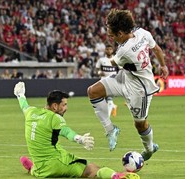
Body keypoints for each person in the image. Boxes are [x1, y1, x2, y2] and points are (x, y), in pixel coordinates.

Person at [87, 9, 169, 161]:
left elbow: (113, 62)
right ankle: (111, 130)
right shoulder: (143, 33)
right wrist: (163, 66)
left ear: (120, 34)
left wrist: (106, 58)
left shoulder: (124, 51)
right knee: (93, 91)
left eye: (111, 34)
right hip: (124, 78)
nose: (109, 36)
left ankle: (149, 149)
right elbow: (156, 49)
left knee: (140, 125)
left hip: (139, 89)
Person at [13, 82, 140, 179]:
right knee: (92, 168)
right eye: (64, 105)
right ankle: (117, 176)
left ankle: (32, 169)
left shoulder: (31, 112)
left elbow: (24, 105)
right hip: (56, 163)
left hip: (41, 167)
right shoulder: (54, 118)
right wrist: (80, 139)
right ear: (55, 106)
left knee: (40, 166)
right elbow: (67, 132)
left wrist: (20, 95)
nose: (66, 108)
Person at [95, 43, 118, 117]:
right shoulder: (101, 60)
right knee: (104, 98)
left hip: (112, 81)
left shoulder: (115, 59)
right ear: (105, 50)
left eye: (110, 49)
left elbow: (121, 69)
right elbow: (97, 68)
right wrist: (99, 72)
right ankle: (113, 107)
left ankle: (107, 117)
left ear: (112, 50)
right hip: (103, 80)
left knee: (109, 97)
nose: (108, 51)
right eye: (107, 49)